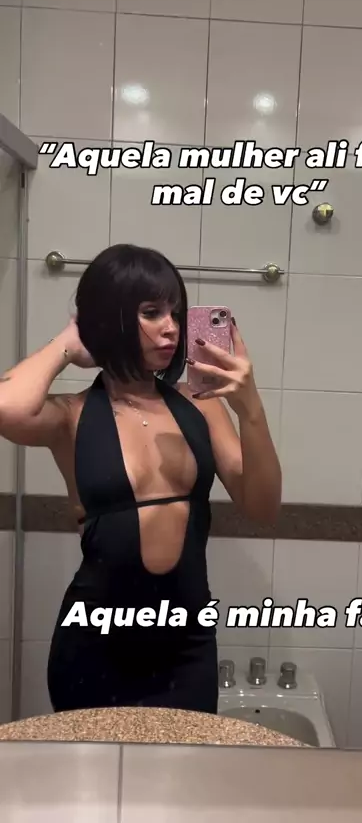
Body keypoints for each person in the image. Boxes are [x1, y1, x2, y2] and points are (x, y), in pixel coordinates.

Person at [0, 244, 281, 714]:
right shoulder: (71, 415)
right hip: (94, 643)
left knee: (184, 763)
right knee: (89, 765)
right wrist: (69, 342)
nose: (171, 327)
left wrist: (250, 408)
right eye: (152, 312)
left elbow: (264, 507)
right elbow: (7, 408)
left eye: (176, 313)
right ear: (111, 317)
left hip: (186, 646)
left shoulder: (200, 406)